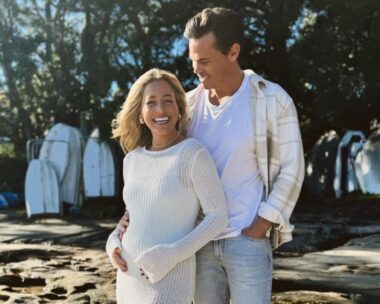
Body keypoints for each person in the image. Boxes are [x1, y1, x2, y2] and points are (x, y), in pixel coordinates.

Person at [119, 7, 305, 304]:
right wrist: (131, 221)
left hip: (247, 241)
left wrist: (260, 226)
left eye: (204, 61)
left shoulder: (271, 99)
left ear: (233, 52)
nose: (196, 69)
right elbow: (163, 167)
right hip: (197, 245)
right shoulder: (188, 107)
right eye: (193, 61)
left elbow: (292, 170)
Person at [106, 68, 228, 304]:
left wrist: (170, 256)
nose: (160, 109)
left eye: (167, 101)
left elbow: (218, 217)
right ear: (140, 113)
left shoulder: (192, 153)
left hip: (170, 275)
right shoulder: (132, 159)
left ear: (179, 109)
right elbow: (133, 217)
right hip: (128, 275)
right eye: (151, 102)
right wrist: (112, 244)